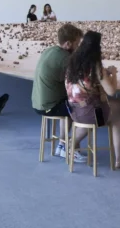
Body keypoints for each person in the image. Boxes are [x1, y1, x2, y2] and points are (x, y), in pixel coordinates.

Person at [65, 30, 120, 169]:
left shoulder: (73, 62)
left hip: (73, 110)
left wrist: (103, 74)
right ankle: (119, 157)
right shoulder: (95, 65)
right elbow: (111, 91)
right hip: (90, 115)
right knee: (119, 115)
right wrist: (113, 74)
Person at [32, 23, 86, 161]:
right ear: (68, 44)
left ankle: (62, 145)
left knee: (68, 107)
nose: (78, 47)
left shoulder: (49, 50)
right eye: (77, 44)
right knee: (84, 109)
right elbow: (80, 83)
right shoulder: (65, 59)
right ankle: (69, 148)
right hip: (50, 106)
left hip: (39, 103)